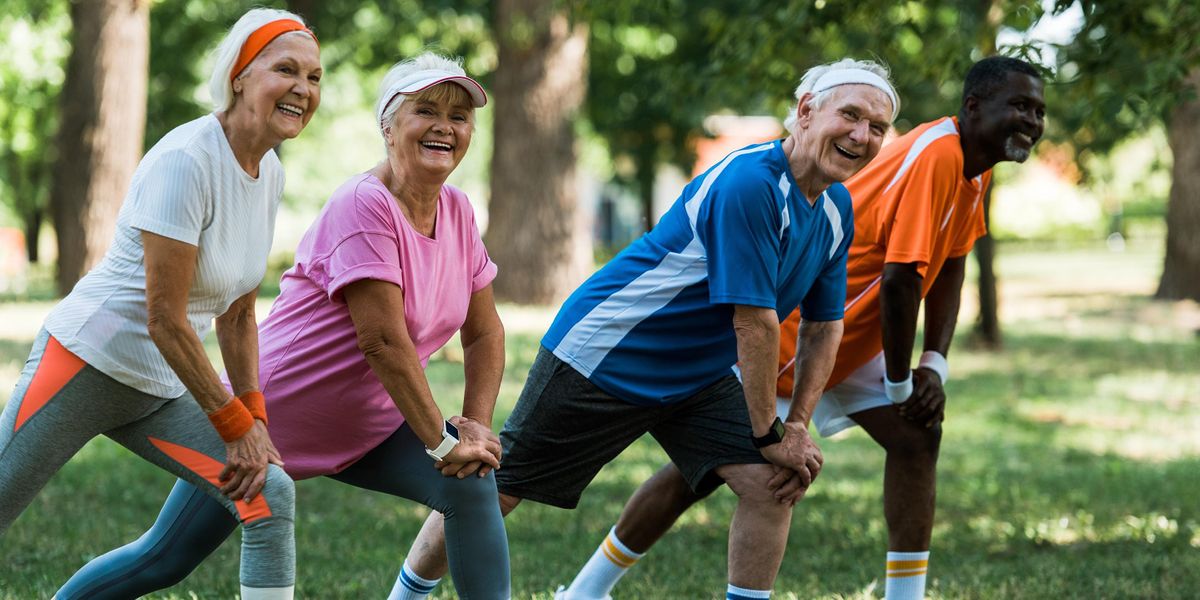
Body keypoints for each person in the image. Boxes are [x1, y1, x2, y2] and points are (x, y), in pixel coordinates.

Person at [397, 58, 900, 600]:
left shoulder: (835, 208)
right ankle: (403, 597)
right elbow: (754, 322)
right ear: (806, 112)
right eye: (850, 115)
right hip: (609, 352)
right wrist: (768, 434)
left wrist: (796, 425)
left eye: (877, 127)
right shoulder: (750, 183)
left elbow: (824, 326)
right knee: (498, 488)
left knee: (773, 485)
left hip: (698, 375)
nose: (861, 135)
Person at [557, 56, 1046, 600]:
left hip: (854, 337)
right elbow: (901, 279)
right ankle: (584, 590)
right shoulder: (937, 153)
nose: (1032, 120)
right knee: (705, 472)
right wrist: (904, 382)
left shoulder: (973, 173)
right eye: (1020, 106)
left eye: (1040, 111)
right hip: (796, 340)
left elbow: (952, 260)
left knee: (915, 436)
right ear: (974, 107)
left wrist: (936, 361)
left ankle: (905, 596)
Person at [53, 53, 511, 600]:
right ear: (389, 126)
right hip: (274, 420)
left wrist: (477, 426)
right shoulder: (364, 204)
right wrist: (441, 442)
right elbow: (383, 342)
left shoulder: (457, 210)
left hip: (373, 423)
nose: (444, 126)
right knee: (165, 557)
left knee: (471, 484)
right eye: (426, 111)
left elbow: (484, 332)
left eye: (459, 118)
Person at [0, 8, 320, 599]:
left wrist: (255, 417)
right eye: (286, 69)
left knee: (268, 495)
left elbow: (240, 312)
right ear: (241, 76)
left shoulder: (269, 170)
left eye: (314, 76)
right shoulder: (187, 160)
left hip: (158, 385)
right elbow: (164, 319)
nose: (303, 88)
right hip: (84, 362)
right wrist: (231, 424)